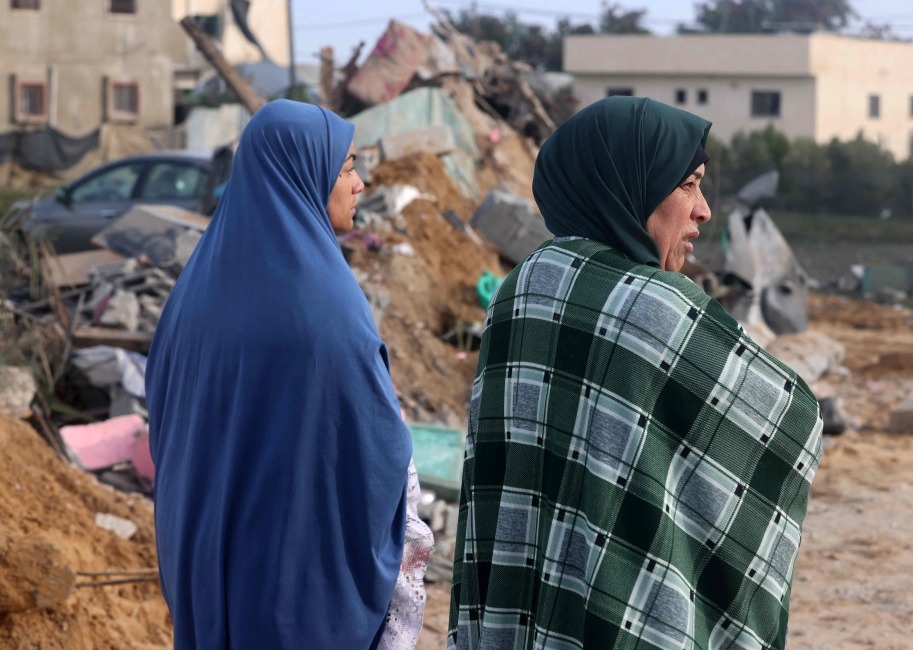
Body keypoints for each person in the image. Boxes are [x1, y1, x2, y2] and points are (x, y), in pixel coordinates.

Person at [448, 97, 823, 650]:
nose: (704, 211)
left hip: (516, 610)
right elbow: (792, 421)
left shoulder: (521, 287)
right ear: (630, 184)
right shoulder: (659, 307)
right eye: (688, 185)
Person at [146, 100, 431, 650]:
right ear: (304, 173)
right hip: (292, 602)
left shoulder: (193, 292)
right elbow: (374, 466)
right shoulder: (327, 309)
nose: (360, 183)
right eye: (346, 167)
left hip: (205, 581)